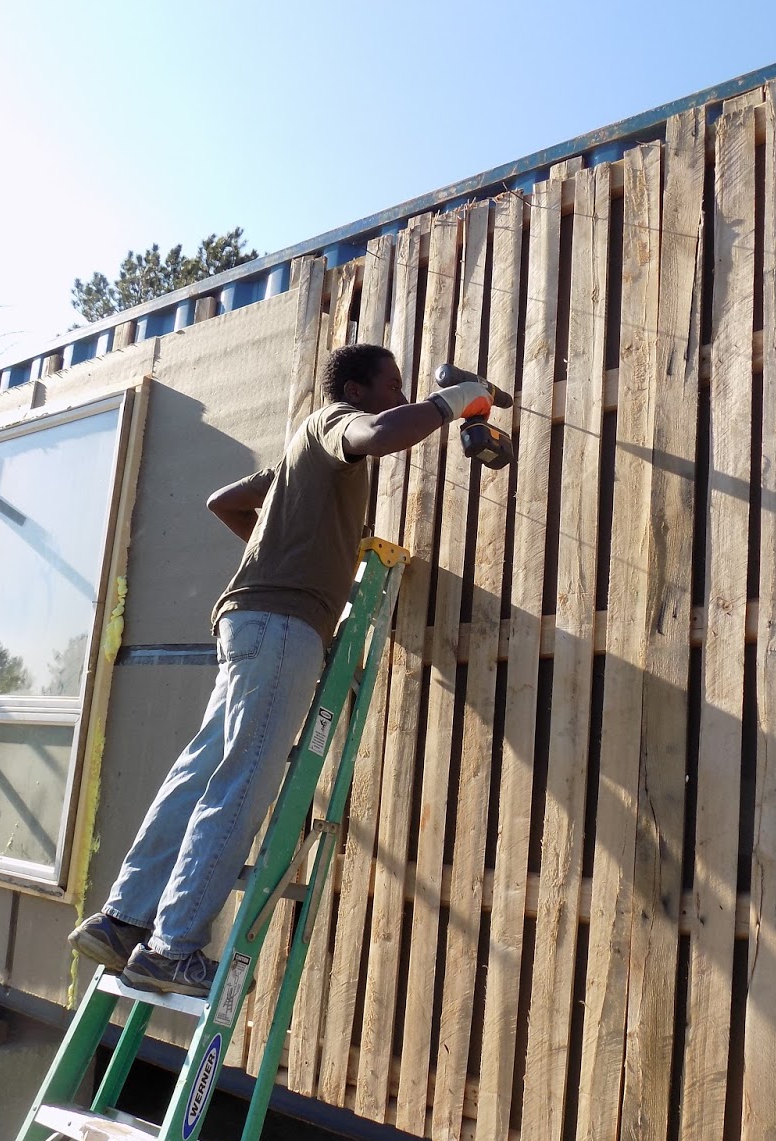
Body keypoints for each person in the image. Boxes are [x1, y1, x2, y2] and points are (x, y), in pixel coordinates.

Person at [68, 343, 498, 996]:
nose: (401, 395)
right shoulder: (334, 424)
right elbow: (381, 433)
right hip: (283, 628)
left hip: (248, 622)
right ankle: (171, 947)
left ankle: (122, 920)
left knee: (200, 772)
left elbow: (226, 501)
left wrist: (308, 552)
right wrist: (450, 403)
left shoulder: (305, 462)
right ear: (356, 391)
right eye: (393, 385)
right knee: (240, 782)